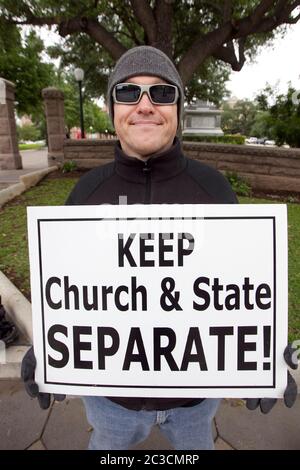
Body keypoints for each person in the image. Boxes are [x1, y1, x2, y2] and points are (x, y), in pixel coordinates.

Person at [21, 46, 298, 450]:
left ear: (178, 110)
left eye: (162, 94)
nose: (145, 105)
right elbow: (70, 289)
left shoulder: (214, 190)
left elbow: (238, 288)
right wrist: (48, 343)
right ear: (113, 109)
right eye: (129, 93)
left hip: (194, 402)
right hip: (111, 399)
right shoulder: (86, 193)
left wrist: (263, 352)